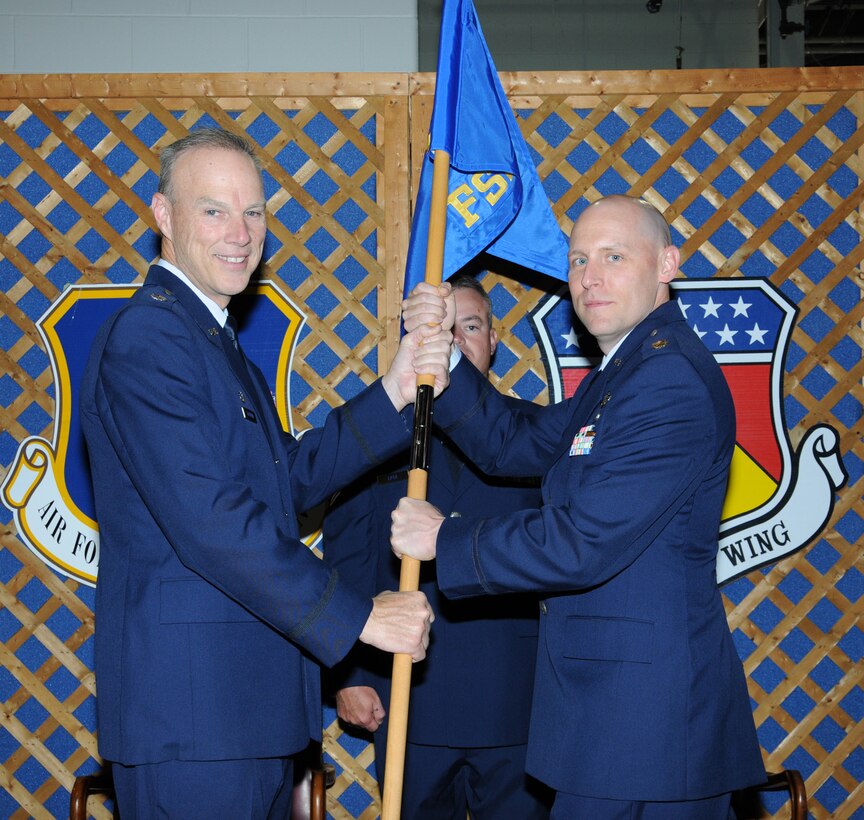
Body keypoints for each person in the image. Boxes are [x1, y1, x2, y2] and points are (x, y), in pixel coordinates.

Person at [79, 127, 452, 818]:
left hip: (241, 716)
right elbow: (212, 521)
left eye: (253, 211)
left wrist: (396, 390)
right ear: (163, 215)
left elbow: (287, 480)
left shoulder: (215, 344)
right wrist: (360, 615)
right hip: (195, 725)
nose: (240, 232)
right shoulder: (150, 337)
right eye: (214, 209)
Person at [392, 195, 766, 819]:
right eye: (577, 260)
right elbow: (519, 442)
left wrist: (447, 539)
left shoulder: (666, 380)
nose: (590, 278)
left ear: (667, 263)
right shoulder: (627, 372)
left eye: (614, 257)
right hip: (613, 721)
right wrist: (448, 355)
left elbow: (583, 541)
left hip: (646, 727)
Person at [324, 274, 552, 819]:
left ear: (494, 340)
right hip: (407, 696)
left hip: (516, 700)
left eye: (469, 326)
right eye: (440, 330)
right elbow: (346, 560)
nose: (455, 342)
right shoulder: (375, 436)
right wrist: (350, 676)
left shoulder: (538, 434)